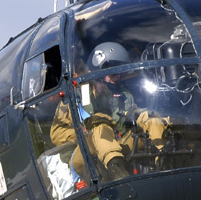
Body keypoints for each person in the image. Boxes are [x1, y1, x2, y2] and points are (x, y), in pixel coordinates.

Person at [51, 42, 168, 181]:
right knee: (99, 124)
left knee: (150, 117)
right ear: (98, 72)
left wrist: (151, 117)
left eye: (118, 72)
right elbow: (56, 134)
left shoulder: (124, 95)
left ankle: (163, 161)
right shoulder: (75, 98)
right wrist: (80, 131)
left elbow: (133, 114)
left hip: (119, 145)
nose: (117, 76)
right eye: (112, 72)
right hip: (86, 153)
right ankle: (117, 171)